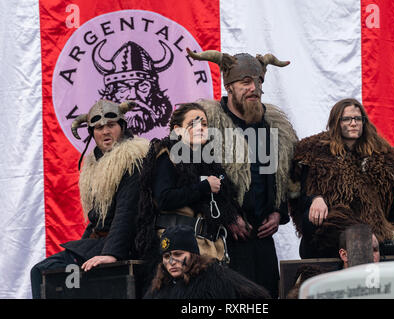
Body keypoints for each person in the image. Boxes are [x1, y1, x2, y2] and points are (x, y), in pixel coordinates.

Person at [186, 48, 299, 298]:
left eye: (258, 81)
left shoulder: (273, 126)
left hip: (261, 235)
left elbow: (280, 178)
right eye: (245, 82)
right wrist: (227, 216)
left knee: (267, 295)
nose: (254, 88)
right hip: (224, 236)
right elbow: (196, 178)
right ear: (229, 87)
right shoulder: (208, 126)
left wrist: (277, 213)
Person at [30, 99, 149, 298]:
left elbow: (127, 212)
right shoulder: (96, 163)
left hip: (126, 245)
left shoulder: (132, 159)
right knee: (48, 272)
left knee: (42, 271)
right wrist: (82, 249)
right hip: (102, 244)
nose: (105, 132)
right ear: (92, 133)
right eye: (99, 127)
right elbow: (97, 219)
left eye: (111, 125)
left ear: (122, 126)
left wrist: (112, 254)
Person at [290, 98, 394, 259]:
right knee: (315, 217)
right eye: (347, 119)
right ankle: (383, 246)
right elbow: (301, 197)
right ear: (337, 122)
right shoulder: (315, 153)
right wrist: (316, 198)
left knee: (378, 233)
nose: (353, 123)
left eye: (358, 118)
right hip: (328, 238)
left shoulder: (380, 158)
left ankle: (381, 245)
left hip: (371, 232)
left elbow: (389, 205)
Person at [135, 103, 241, 266]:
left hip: (210, 247)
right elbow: (164, 198)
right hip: (177, 247)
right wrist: (204, 187)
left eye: (204, 124)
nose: (200, 128)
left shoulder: (209, 161)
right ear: (177, 130)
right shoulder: (167, 156)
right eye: (193, 124)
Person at [144, 225, 270, 299]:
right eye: (166, 256)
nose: (171, 261)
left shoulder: (216, 280)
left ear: (192, 255)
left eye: (178, 254)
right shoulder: (159, 287)